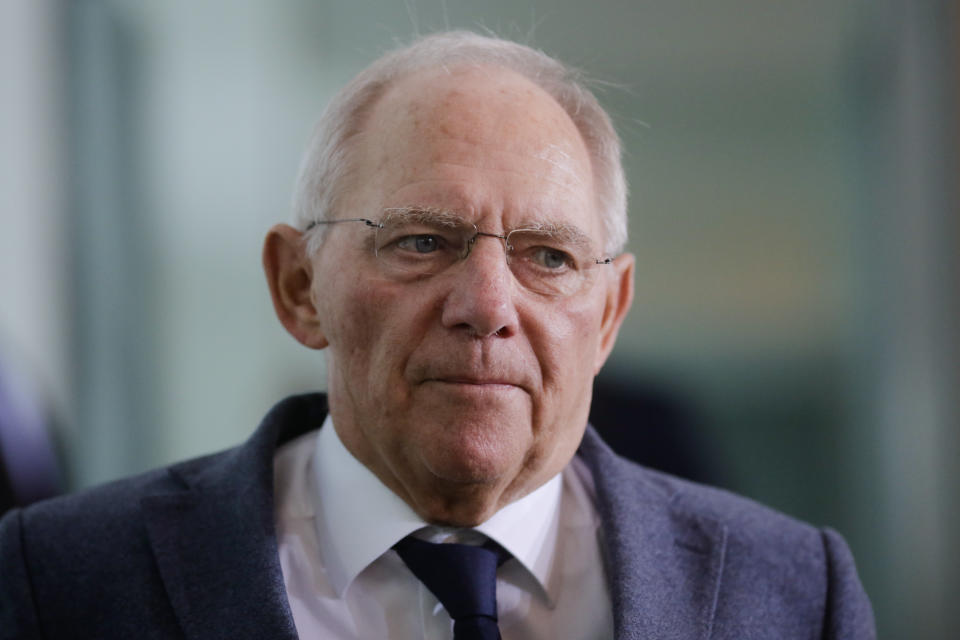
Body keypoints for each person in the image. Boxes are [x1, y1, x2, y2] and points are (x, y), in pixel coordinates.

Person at [0, 31, 875, 639]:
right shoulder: (63, 578)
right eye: (422, 241)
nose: (486, 305)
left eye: (549, 255)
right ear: (298, 286)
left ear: (609, 314)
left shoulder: (793, 592)